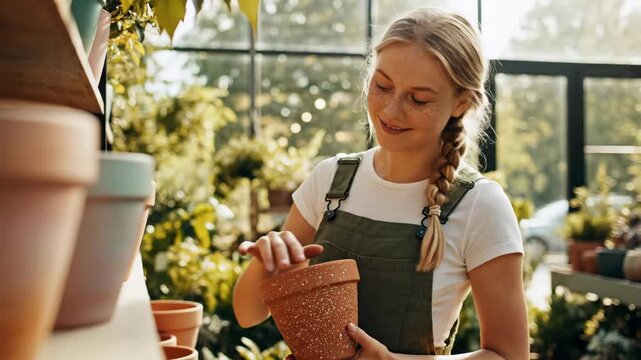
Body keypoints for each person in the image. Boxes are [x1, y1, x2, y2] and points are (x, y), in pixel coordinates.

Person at [233, 7, 529, 360]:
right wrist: (268, 266)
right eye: (382, 86)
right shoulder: (330, 182)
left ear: (460, 103)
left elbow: (510, 354)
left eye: (418, 99)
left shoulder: (480, 205)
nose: (391, 110)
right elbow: (248, 314)